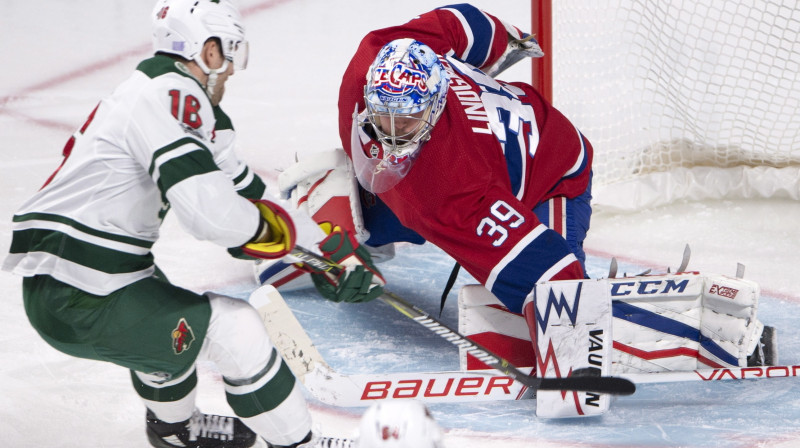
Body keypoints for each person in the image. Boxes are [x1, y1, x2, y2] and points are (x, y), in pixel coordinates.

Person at [2, 0, 381, 447]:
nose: (233, 70)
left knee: (168, 317)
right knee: (235, 330)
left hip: (84, 279)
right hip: (82, 291)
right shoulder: (171, 96)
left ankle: (173, 431)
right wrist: (306, 251)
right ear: (208, 51)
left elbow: (247, 197)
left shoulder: (168, 97)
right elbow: (213, 216)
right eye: (230, 53)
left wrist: (331, 250)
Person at [260, 4, 590, 342]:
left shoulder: (453, 190)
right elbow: (454, 23)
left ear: (435, 107)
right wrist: (504, 37)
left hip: (553, 169)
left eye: (405, 120)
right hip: (469, 161)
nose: (391, 131)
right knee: (354, 188)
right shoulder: (372, 60)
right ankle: (351, 247)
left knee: (556, 311)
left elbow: (551, 278)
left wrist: (571, 322)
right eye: (383, 114)